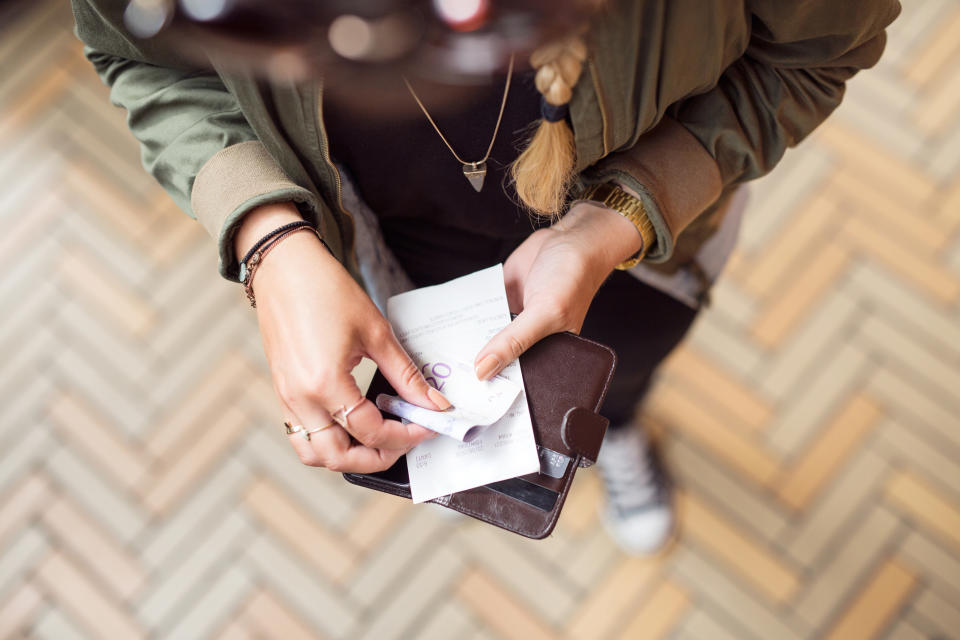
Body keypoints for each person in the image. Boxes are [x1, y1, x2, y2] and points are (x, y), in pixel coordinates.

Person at [71, 0, 899, 554]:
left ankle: (619, 434)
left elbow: (814, 55)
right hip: (380, 256)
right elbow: (146, 64)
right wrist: (269, 237)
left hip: (648, 264)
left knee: (618, 382)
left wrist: (621, 216)